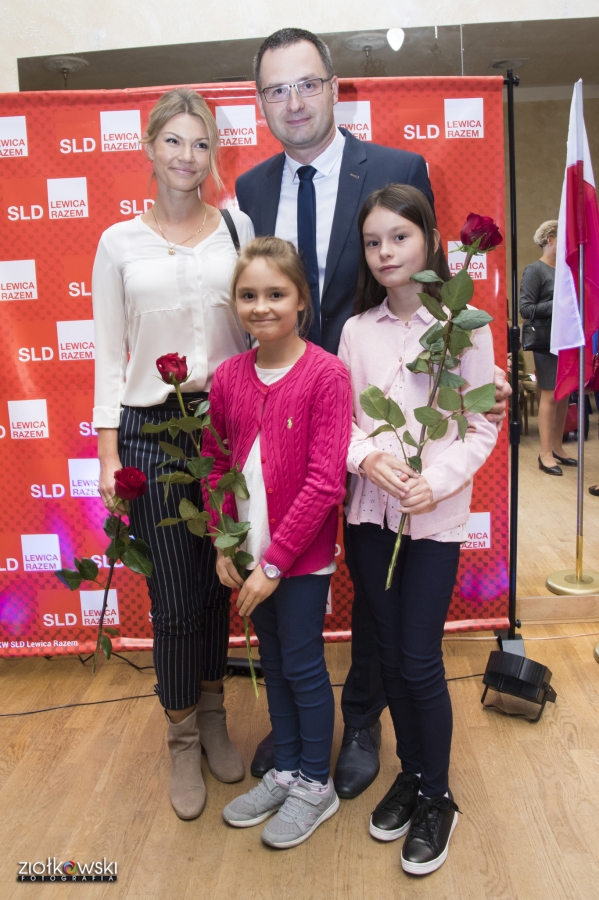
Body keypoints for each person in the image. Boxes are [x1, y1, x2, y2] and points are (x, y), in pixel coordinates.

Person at [237, 26, 512, 798]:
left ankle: (362, 719)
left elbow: (432, 303)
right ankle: (296, 724)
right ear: (260, 103)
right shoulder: (250, 190)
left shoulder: (395, 169)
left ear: (334, 87)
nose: (294, 102)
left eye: (306, 84)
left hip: (376, 420)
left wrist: (473, 384)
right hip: (287, 419)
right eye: (276, 90)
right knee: (285, 562)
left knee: (375, 594)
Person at [93, 88, 254, 820]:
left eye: (200, 143)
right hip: (151, 432)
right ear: (149, 148)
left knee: (220, 582)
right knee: (175, 597)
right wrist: (107, 455)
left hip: (225, 426)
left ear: (212, 152)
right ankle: (182, 735)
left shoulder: (239, 228)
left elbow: (256, 329)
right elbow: (107, 356)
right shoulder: (118, 243)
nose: (187, 156)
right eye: (173, 141)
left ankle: (215, 715)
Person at [338, 184, 498, 874]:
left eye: (399, 237)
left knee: (419, 657)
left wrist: (436, 479)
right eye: (373, 242)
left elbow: (480, 423)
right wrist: (367, 458)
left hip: (433, 520)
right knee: (386, 655)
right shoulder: (356, 330)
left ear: (430, 242)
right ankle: (411, 773)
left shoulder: (464, 326)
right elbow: (343, 421)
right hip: (369, 518)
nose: (385, 252)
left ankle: (439, 796)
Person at [204, 236, 352, 848]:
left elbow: (325, 482)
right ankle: (287, 768)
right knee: (274, 663)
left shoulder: (327, 375)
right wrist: (224, 542)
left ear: (301, 301)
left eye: (275, 294)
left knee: (303, 664)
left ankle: (316, 784)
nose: (261, 306)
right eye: (248, 295)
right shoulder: (228, 377)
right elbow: (216, 464)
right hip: (248, 555)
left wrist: (274, 563)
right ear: (235, 303)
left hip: (298, 559)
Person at [520, 219, 576, 475]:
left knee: (564, 394)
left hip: (567, 339)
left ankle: (557, 447)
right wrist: (559, 302)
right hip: (546, 341)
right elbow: (526, 309)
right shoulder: (535, 270)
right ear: (549, 239)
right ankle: (544, 454)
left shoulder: (567, 270)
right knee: (550, 393)